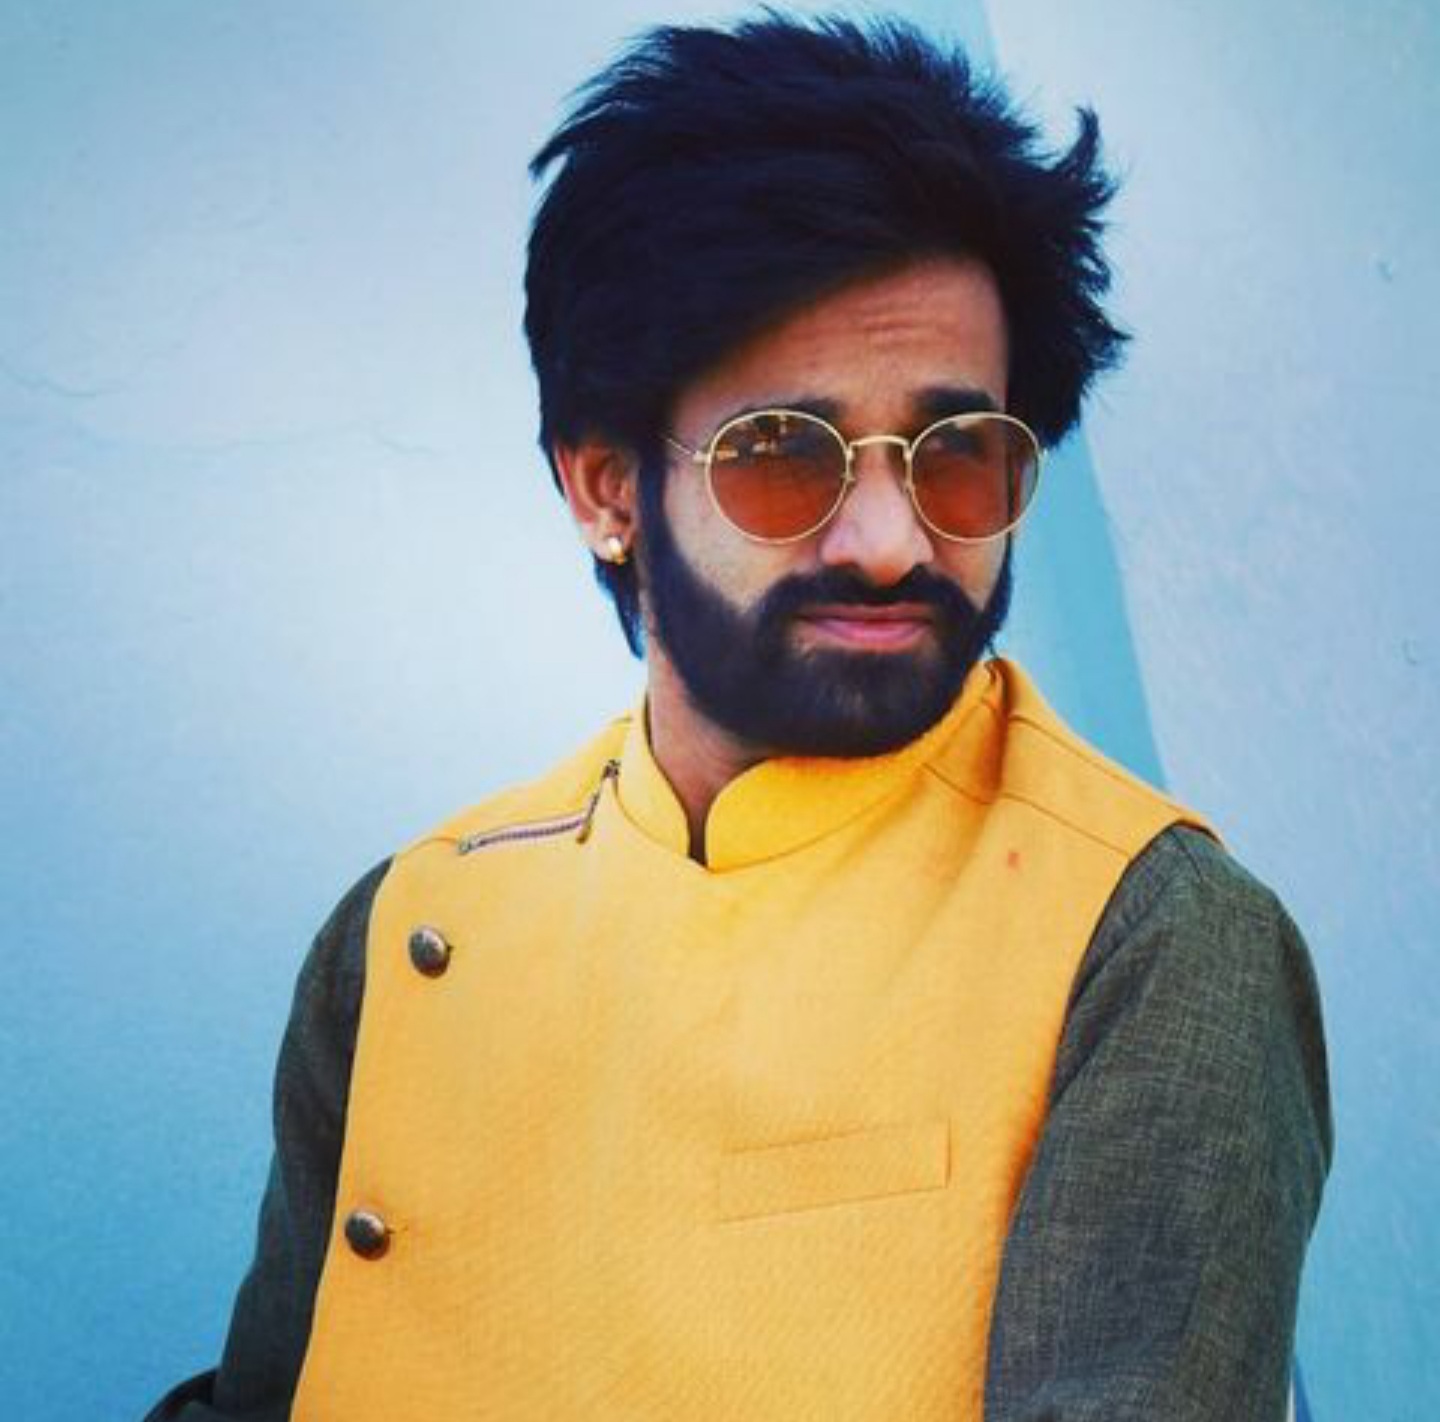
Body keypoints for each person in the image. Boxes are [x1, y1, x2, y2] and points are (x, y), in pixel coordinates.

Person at [146, 12, 1331, 1421]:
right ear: (604, 487)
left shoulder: (1145, 932)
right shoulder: (410, 930)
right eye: (784, 452)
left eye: (958, 452)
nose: (891, 539)